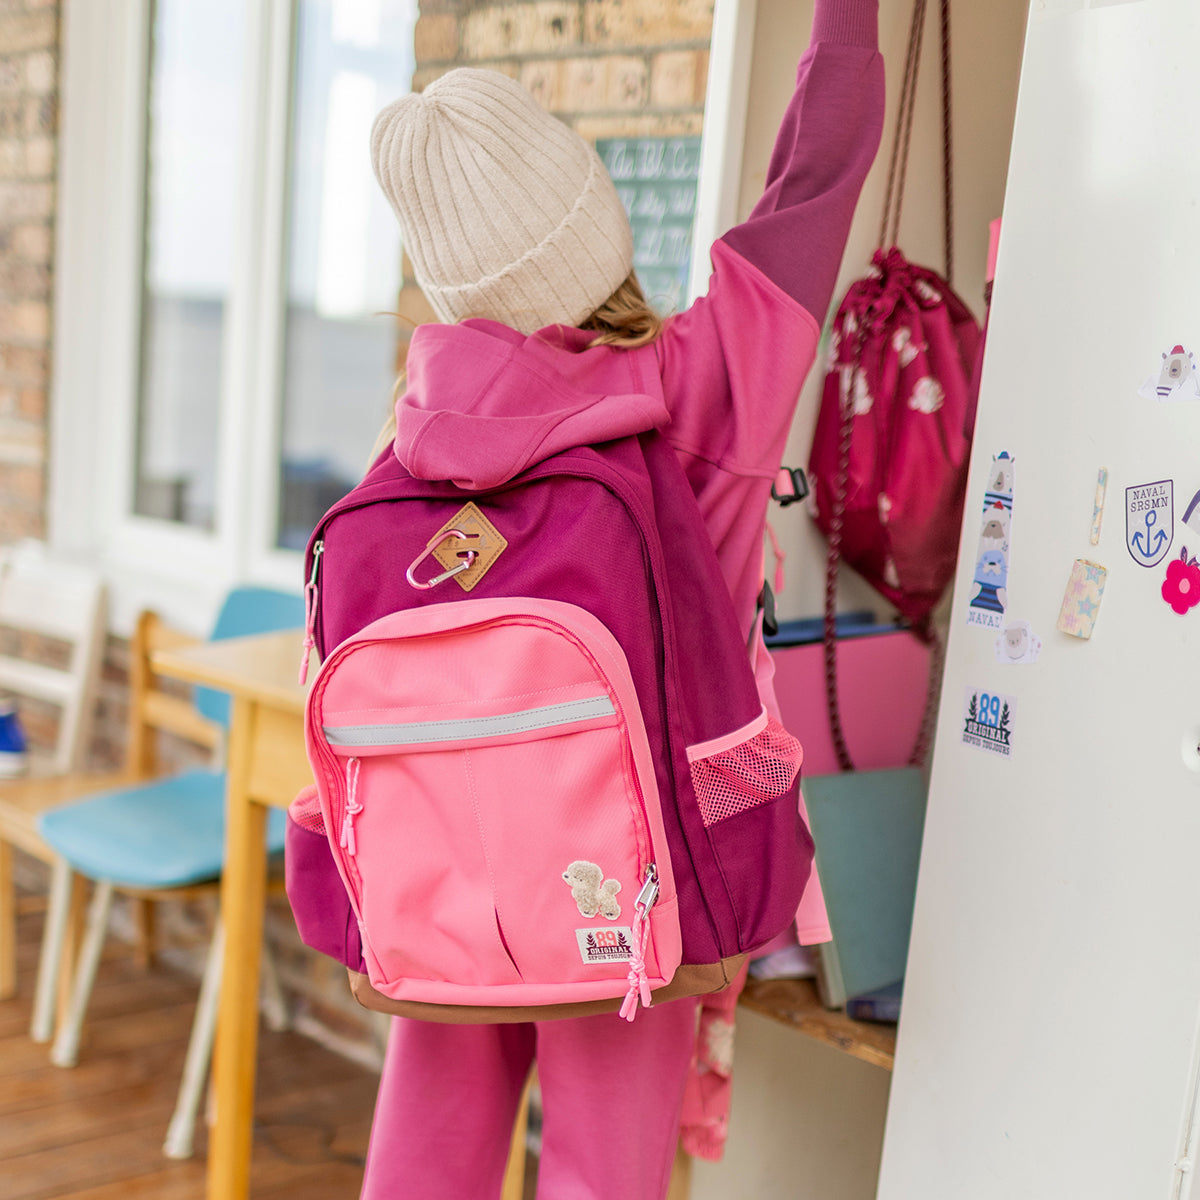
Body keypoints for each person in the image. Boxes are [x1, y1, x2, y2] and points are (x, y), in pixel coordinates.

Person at [318, 2, 883, 1195]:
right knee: (602, 1175)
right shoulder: (706, 384)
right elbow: (818, 175)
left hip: (447, 888)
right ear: (594, 220)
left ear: (450, 282)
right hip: (628, 894)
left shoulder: (406, 449)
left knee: (423, 1166)